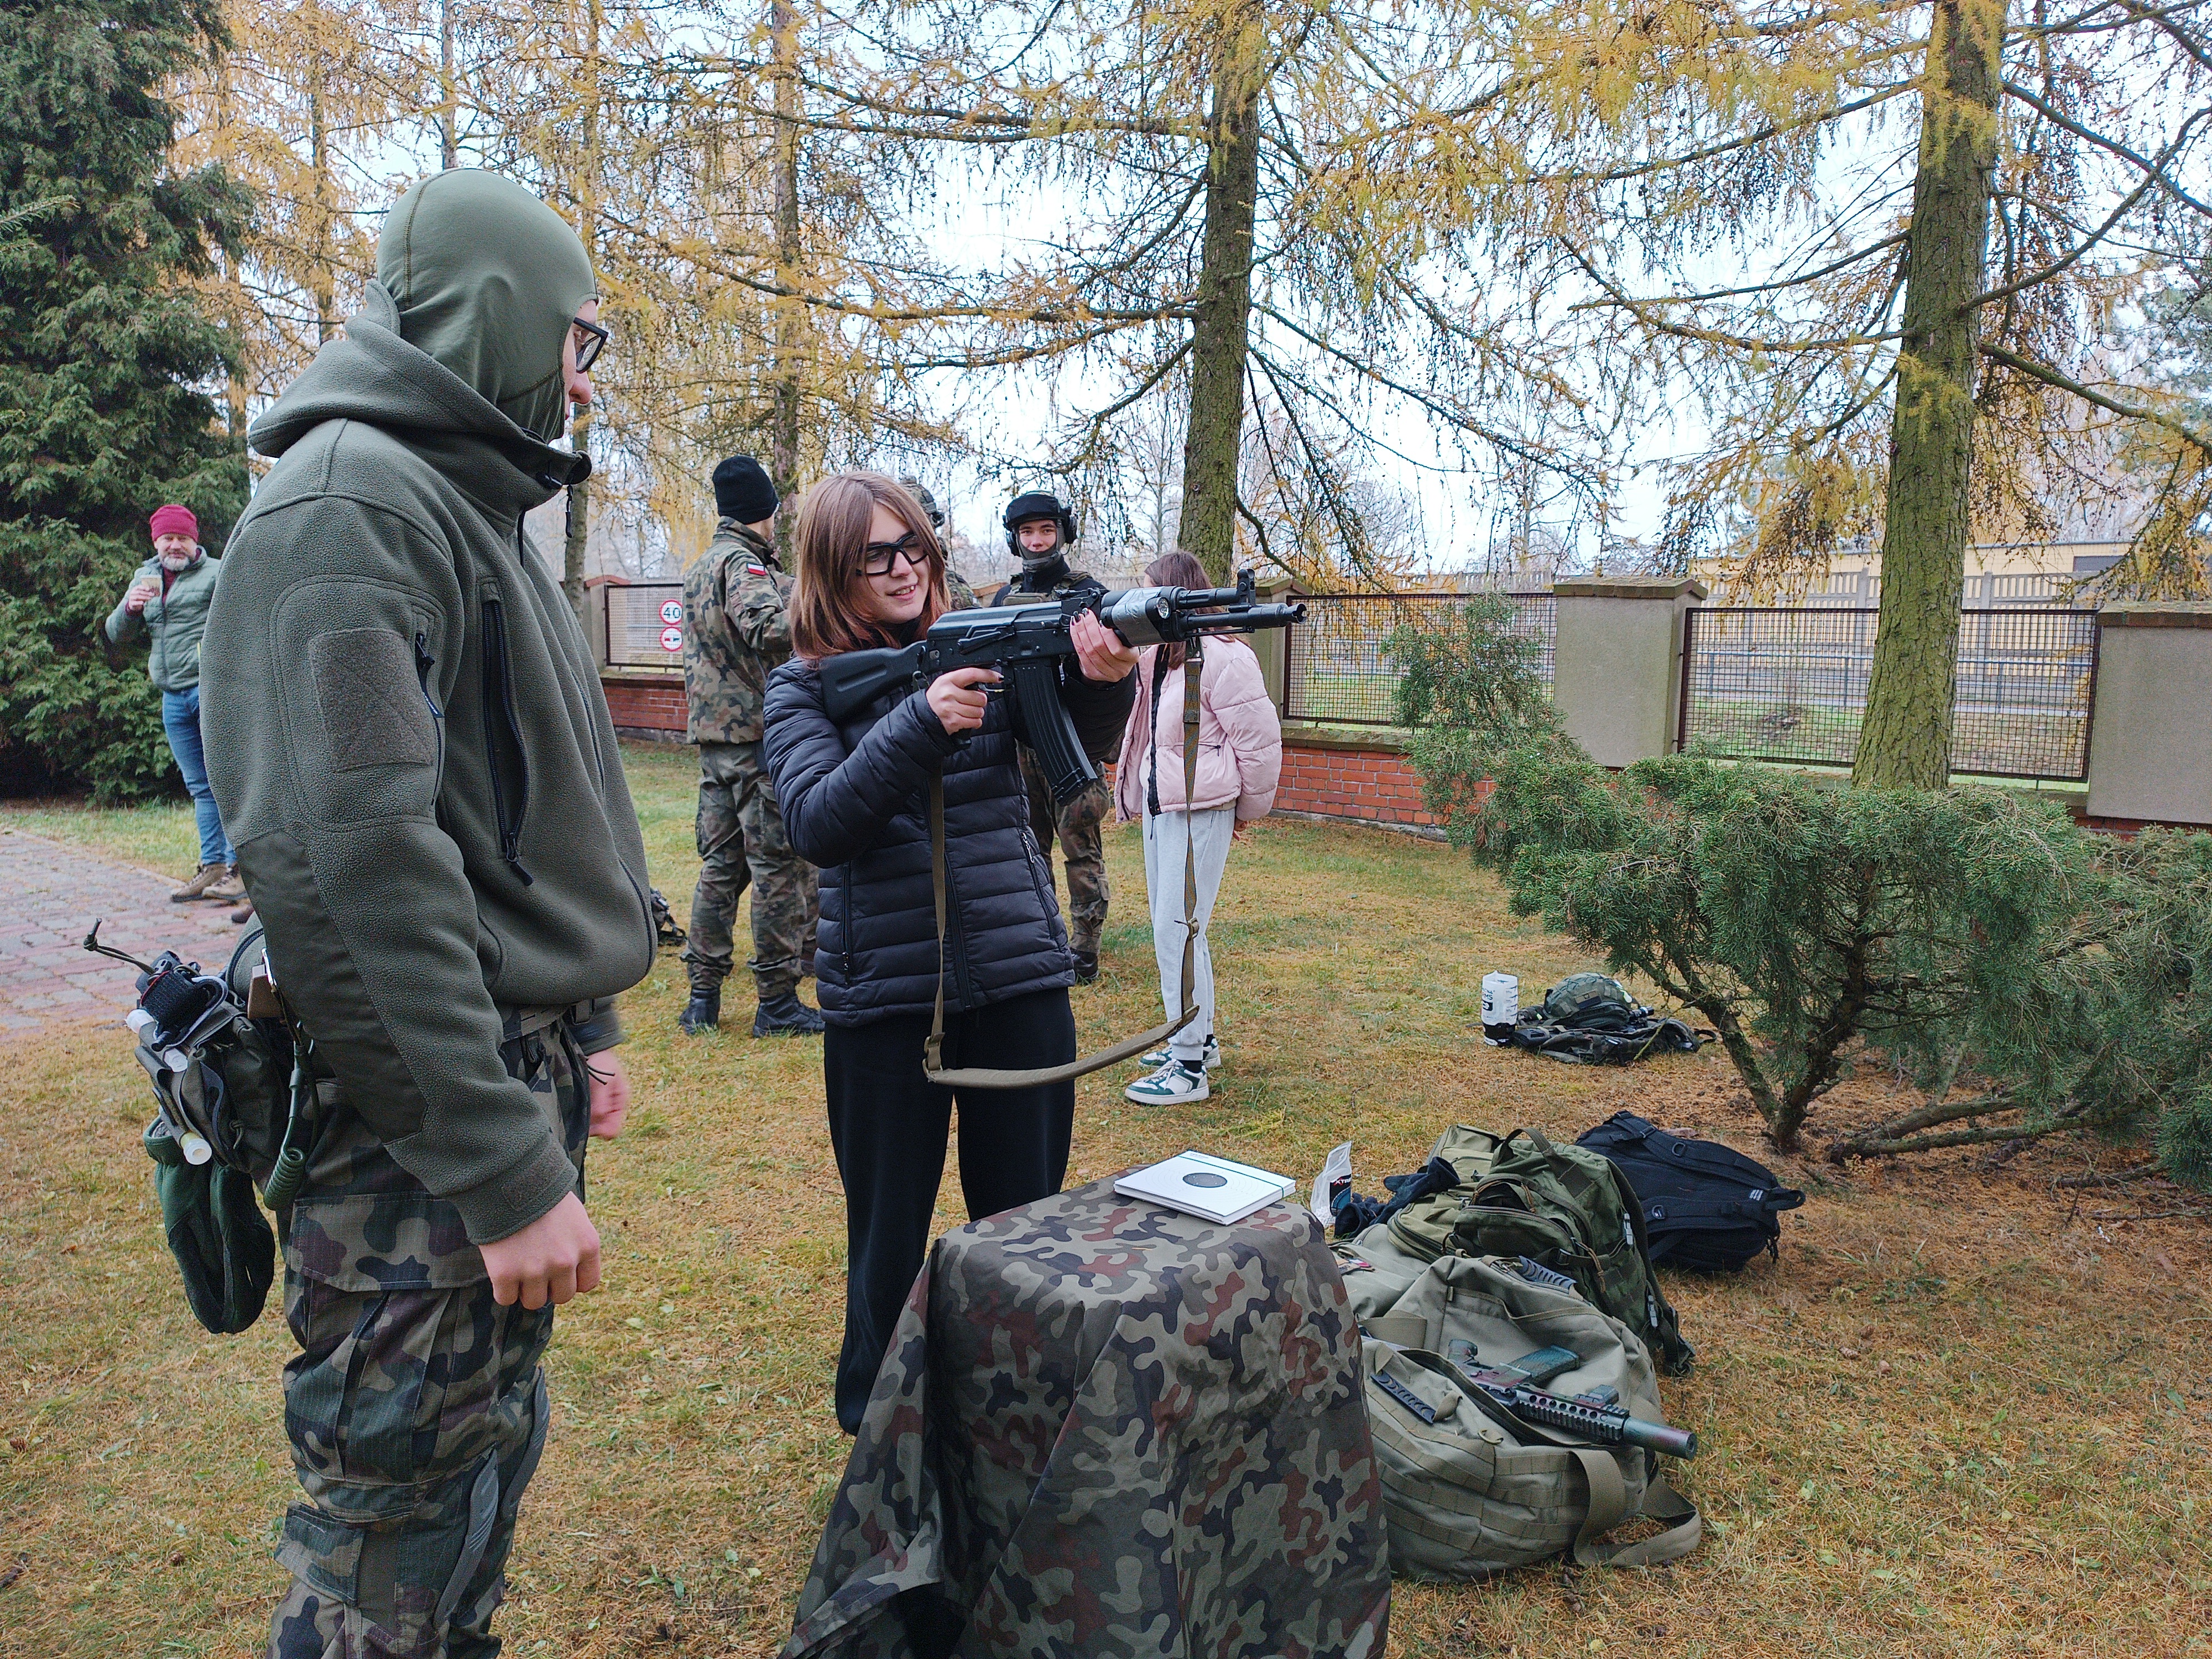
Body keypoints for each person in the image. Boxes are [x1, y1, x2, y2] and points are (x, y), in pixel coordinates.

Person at [199, 169, 656, 1659]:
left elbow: (497, 824)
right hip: (407, 1133)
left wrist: (572, 1029)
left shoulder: (450, 499)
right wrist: (495, 1162)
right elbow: (347, 864)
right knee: (387, 1539)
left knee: (464, 1484)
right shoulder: (349, 507)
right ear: (499, 318)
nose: (586, 378)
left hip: (480, 1076)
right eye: (579, 338)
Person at [761, 471, 1138, 1433]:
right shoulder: (802, 686)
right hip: (885, 1004)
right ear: (828, 571)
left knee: (1027, 1232)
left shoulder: (985, 641)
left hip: (1017, 975)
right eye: (872, 555)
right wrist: (922, 721)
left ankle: (1017, 1421)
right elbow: (818, 822)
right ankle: (879, 1439)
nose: (899, 569)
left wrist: (1106, 680)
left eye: (914, 547)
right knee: (887, 1244)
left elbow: (1071, 763)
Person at [1113, 550, 1282, 1106]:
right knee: (1183, 930)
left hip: (1201, 806)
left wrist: (1244, 813)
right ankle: (1196, 1040)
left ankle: (1188, 1069)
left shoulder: (1224, 657)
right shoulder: (1157, 657)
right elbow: (1140, 734)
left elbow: (1258, 745)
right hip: (1165, 807)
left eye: (1148, 593)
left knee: (1176, 930)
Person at [678, 455, 826, 1037]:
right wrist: (817, 612)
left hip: (716, 743)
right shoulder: (743, 565)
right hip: (756, 743)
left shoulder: (700, 567)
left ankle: (702, 997)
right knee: (778, 871)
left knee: (720, 868)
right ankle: (777, 1002)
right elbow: (768, 627)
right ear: (766, 510)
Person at [989, 489, 1119, 982]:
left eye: (1046, 531)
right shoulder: (1003, 599)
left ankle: (1084, 949)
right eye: (1027, 533)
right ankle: (1042, 939)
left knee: (1080, 846)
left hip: (1069, 746)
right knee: (1028, 848)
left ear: (1063, 533)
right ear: (1014, 539)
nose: (1037, 541)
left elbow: (1112, 676)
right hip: (1021, 747)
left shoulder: (1089, 594)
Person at [107, 504, 246, 911]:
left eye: (183, 537)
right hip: (172, 696)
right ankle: (214, 865)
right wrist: (131, 607)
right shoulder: (145, 578)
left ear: (194, 540)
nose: (175, 545)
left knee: (229, 779)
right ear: (156, 542)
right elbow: (116, 634)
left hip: (211, 689)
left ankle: (243, 871)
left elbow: (240, 620)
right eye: (168, 538)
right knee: (200, 786)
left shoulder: (217, 573)